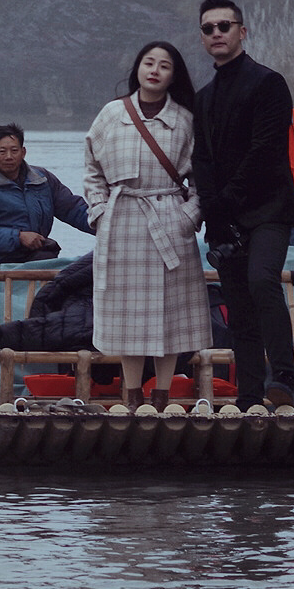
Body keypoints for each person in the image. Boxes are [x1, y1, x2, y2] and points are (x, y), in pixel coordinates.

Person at [81, 39, 212, 403]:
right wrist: (100, 210)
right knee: (127, 314)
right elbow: (92, 169)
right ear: (137, 68)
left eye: (164, 65)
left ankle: (163, 395)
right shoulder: (110, 114)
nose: (154, 70)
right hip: (122, 222)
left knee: (171, 313)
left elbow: (203, 179)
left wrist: (188, 217)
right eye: (148, 63)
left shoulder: (185, 120)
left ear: (173, 75)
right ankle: (133, 393)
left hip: (169, 221)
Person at [194, 0, 294, 407]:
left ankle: (286, 377)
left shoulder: (268, 82)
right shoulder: (203, 97)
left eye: (225, 26)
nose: (217, 33)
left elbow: (266, 150)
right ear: (203, 37)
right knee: (238, 303)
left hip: (269, 208)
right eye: (209, 28)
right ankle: (249, 395)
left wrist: (226, 199)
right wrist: (212, 209)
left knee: (262, 280)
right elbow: (201, 159)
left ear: (242, 31)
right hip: (225, 216)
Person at [0, 122, 93, 266]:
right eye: (2, 151)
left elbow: (72, 209)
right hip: (0, 263)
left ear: (23, 152)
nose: (9, 157)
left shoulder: (42, 179)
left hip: (41, 256)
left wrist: (106, 225)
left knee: (86, 271)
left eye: (14, 150)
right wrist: (18, 237)